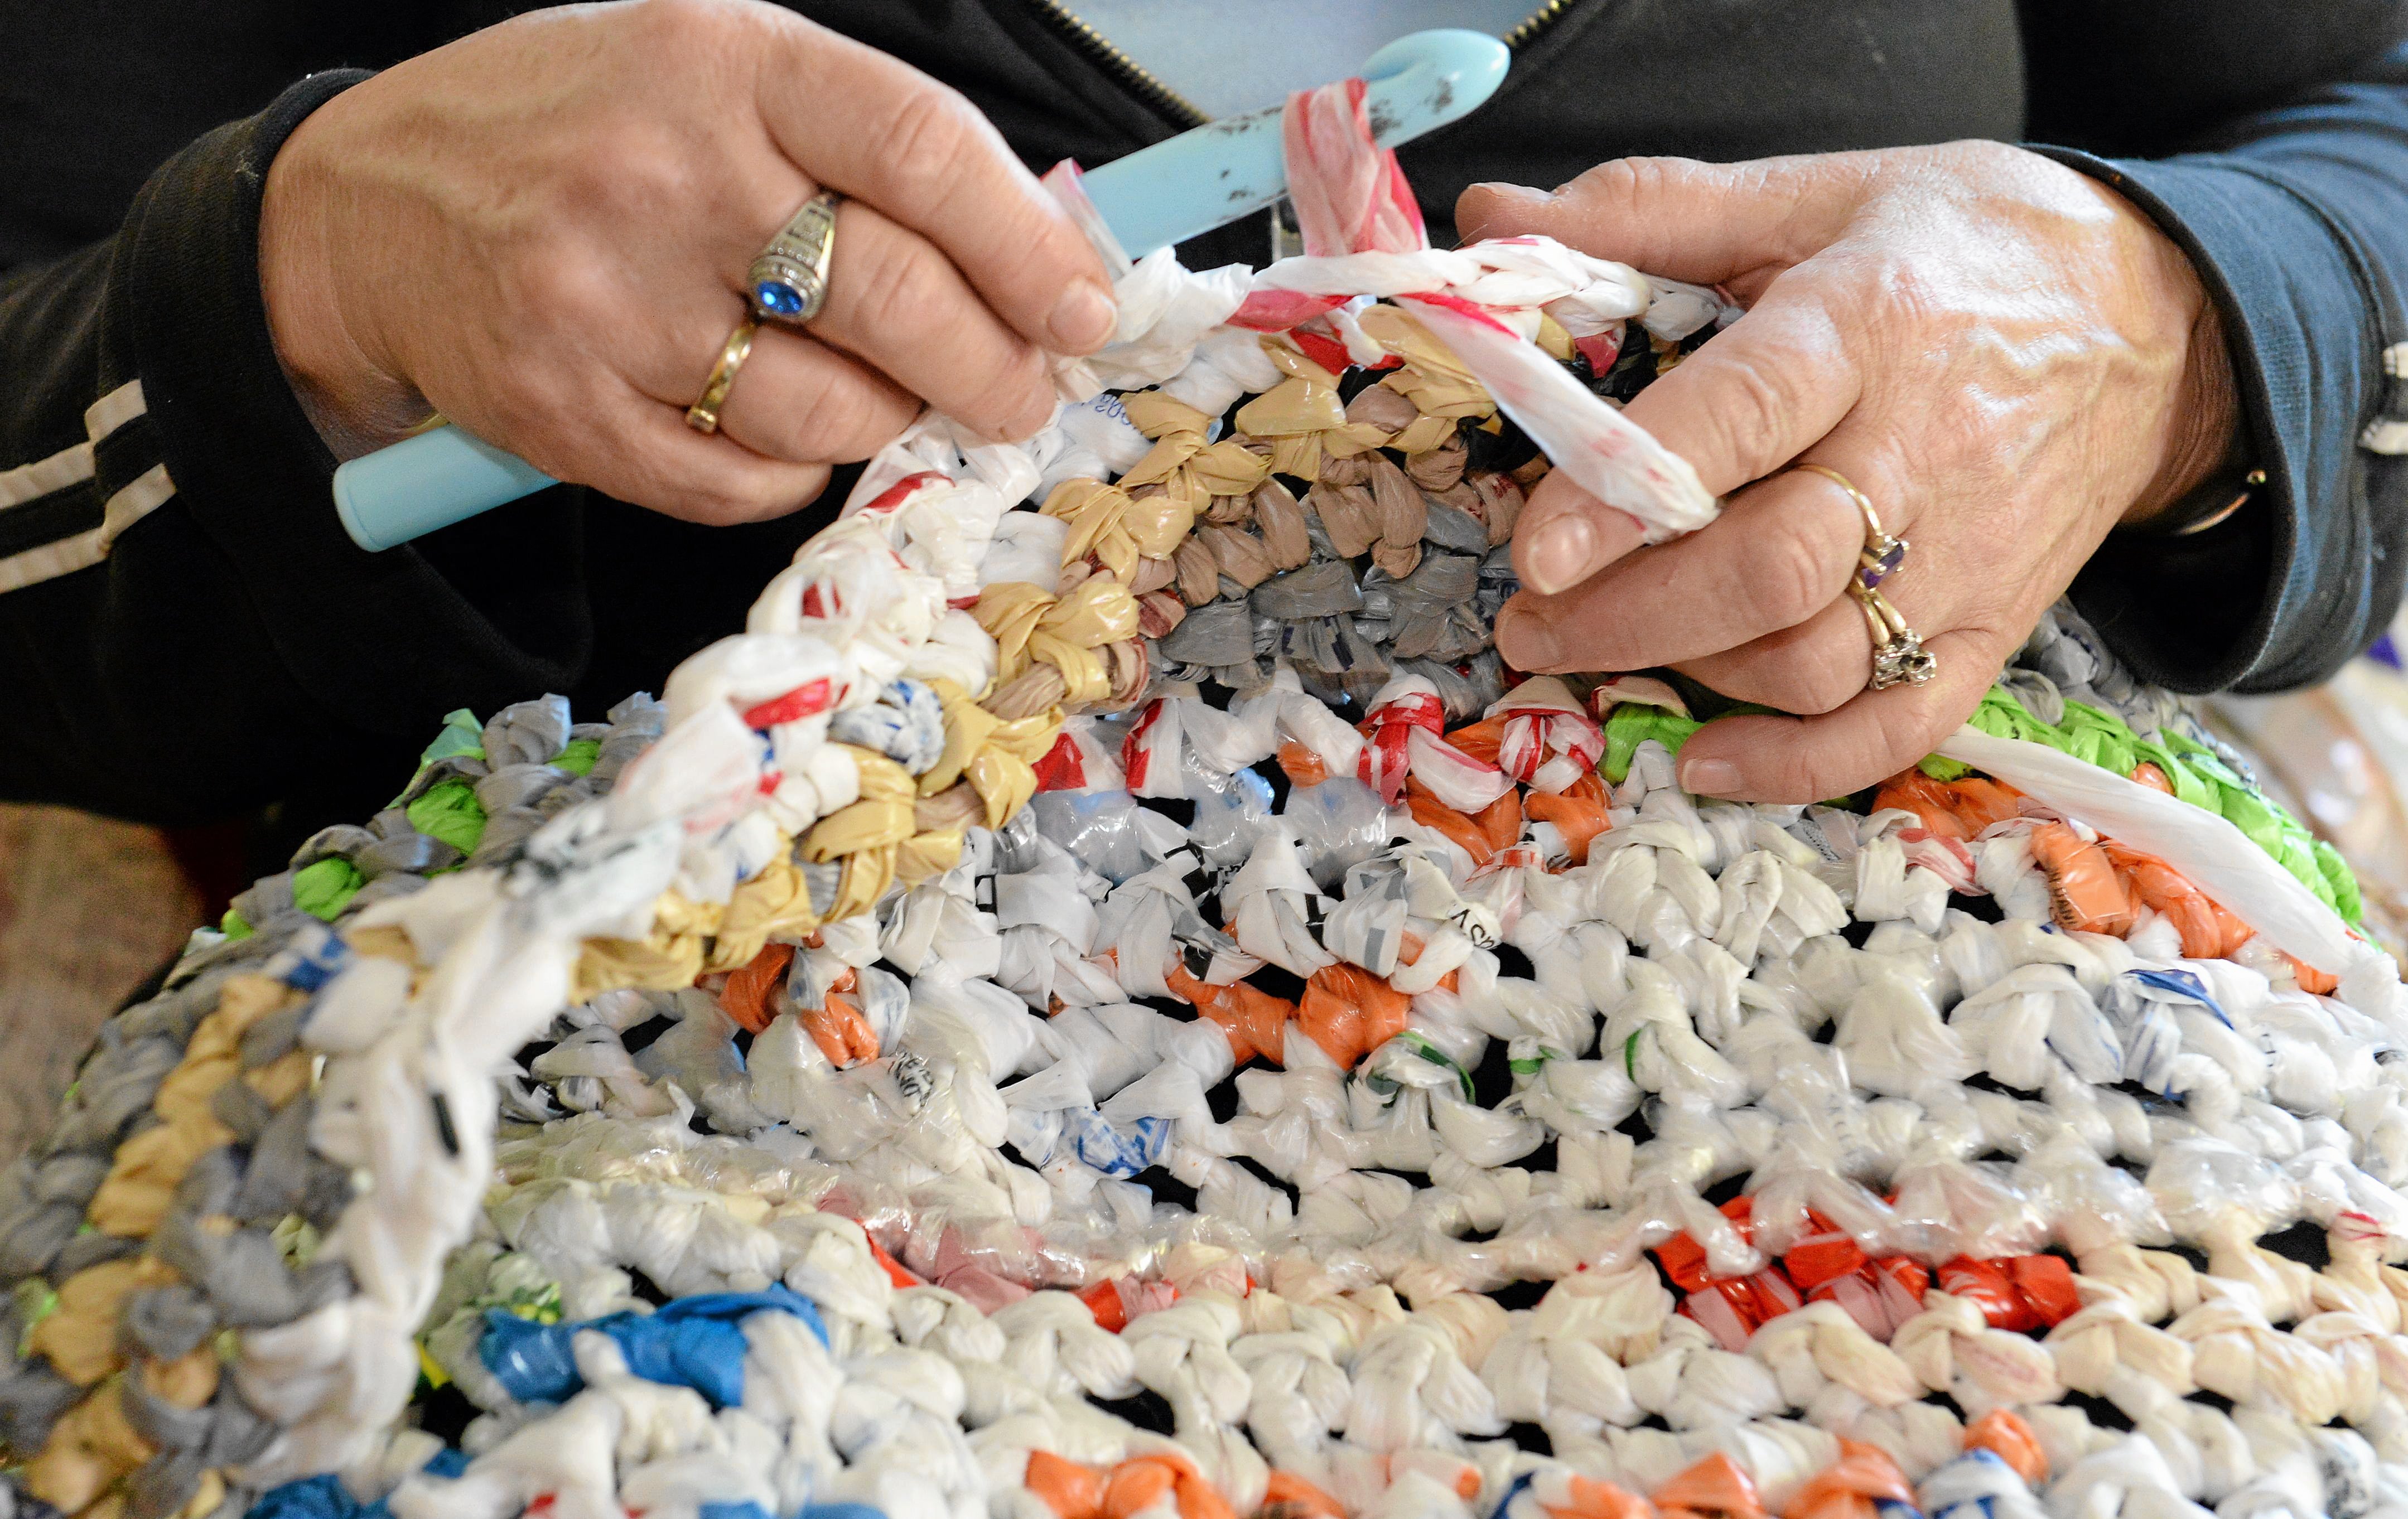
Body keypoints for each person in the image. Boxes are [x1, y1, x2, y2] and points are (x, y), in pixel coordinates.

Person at [2, 1, 2404, 855]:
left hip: (1964, 1129)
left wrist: (2179, 318)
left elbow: (2352, 133)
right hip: (673, 1178)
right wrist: (305, 266)